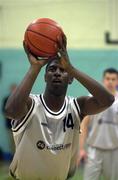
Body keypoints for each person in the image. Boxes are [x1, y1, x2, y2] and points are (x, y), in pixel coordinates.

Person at [5, 35, 114, 180]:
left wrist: (71, 68)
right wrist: (35, 67)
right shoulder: (31, 104)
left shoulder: (77, 106)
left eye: (63, 70)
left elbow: (108, 100)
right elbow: (11, 111)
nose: (57, 72)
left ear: (71, 79)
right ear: (45, 77)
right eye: (52, 69)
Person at [78, 68, 118, 180]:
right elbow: (84, 125)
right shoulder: (92, 98)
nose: (110, 81)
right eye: (108, 79)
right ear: (103, 80)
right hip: (93, 150)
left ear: (117, 81)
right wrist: (81, 149)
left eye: (113, 79)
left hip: (114, 151)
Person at [2, 84, 17, 155]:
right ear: (10, 89)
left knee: (19, 142)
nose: (13, 90)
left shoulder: (20, 98)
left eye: (15, 88)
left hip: (19, 125)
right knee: (11, 142)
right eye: (12, 89)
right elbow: (4, 111)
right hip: (9, 125)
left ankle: (20, 158)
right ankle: (14, 158)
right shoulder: (6, 99)